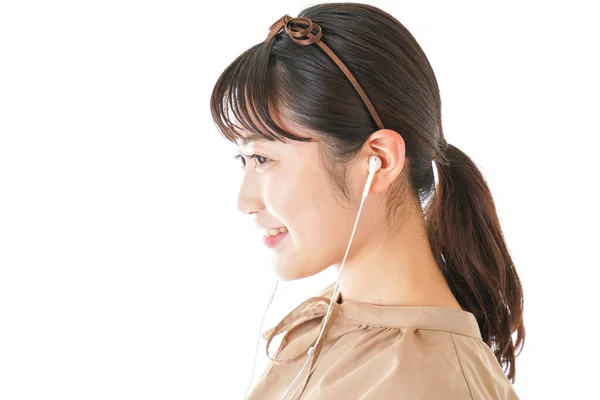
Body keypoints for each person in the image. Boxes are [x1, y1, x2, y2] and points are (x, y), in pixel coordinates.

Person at [210, 3, 525, 399]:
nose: (245, 201)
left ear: (380, 160)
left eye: (262, 158)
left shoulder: (428, 385)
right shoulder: (328, 320)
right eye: (243, 159)